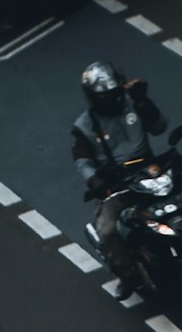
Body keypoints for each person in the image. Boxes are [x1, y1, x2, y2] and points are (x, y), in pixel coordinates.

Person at [72, 60, 168, 297]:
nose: (114, 99)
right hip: (117, 185)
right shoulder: (84, 126)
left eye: (115, 93)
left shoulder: (133, 104)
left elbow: (159, 127)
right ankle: (127, 274)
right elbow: (83, 161)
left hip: (151, 173)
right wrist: (96, 183)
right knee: (106, 231)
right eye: (105, 96)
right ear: (93, 97)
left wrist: (144, 100)